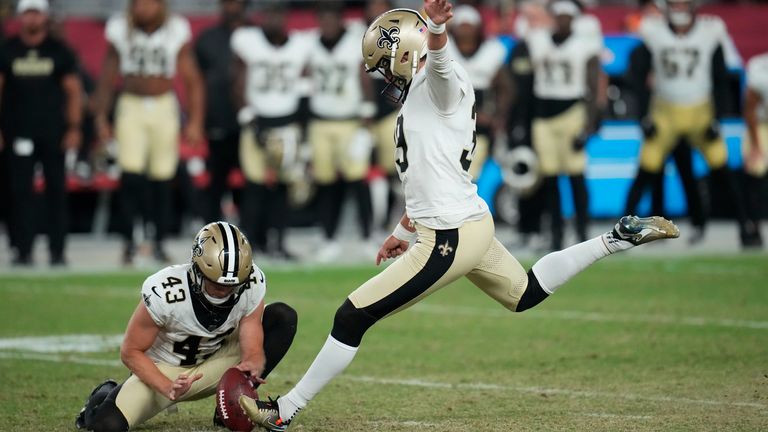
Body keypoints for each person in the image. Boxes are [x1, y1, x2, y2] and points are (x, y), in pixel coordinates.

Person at [240, 2, 679, 430]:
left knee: (351, 317)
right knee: (524, 293)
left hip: (448, 235)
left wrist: (434, 27)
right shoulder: (419, 93)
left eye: (386, 65)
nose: (384, 76)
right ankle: (616, 238)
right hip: (466, 220)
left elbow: (443, 68)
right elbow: (426, 172)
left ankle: (286, 411)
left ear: (409, 54)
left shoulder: (438, 81)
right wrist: (401, 228)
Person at [74, 221, 298, 432]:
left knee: (281, 316)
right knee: (106, 425)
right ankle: (104, 393)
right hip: (167, 369)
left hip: (218, 356)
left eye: (232, 286)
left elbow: (250, 322)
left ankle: (232, 404)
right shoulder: (166, 291)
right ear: (197, 270)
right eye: (216, 284)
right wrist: (166, 386)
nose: (224, 292)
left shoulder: (251, 280)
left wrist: (251, 356)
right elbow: (130, 352)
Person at [623, 0, 762, 248]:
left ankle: (747, 227)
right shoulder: (653, 31)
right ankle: (619, 234)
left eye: (683, 4)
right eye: (674, 4)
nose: (679, 10)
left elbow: (720, 77)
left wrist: (717, 118)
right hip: (665, 111)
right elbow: (638, 75)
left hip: (700, 111)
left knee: (723, 172)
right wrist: (643, 115)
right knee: (645, 172)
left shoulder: (711, 31)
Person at [94, 0, 205, 265]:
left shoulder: (175, 29)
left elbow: (191, 78)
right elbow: (108, 75)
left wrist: (196, 120)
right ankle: (129, 241)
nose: (142, 7)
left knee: (162, 178)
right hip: (131, 104)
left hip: (163, 104)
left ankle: (158, 241)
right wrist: (101, 117)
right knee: (131, 176)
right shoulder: (120, 28)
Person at [0, 0, 83, 266]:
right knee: (19, 192)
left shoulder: (58, 50)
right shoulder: (8, 49)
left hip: (53, 133)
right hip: (18, 131)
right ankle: (22, 249)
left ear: (45, 16)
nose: (32, 19)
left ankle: (57, 250)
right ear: (20, 16)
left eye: (36, 13)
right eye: (27, 13)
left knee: (56, 192)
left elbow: (73, 91)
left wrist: (74, 127)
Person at [231, 2, 312, 259]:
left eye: (278, 13)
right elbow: (236, 82)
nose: (273, 19)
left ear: (286, 17)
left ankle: (278, 242)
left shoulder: (300, 45)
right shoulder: (248, 41)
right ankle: (250, 244)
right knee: (254, 187)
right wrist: (248, 119)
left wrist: (301, 126)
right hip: (257, 122)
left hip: (286, 124)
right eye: (269, 13)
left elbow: (305, 86)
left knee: (283, 187)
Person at [527, 0, 604, 250]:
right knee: (550, 178)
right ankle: (556, 234)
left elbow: (595, 87)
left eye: (566, 17)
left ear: (574, 20)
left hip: (572, 110)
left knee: (575, 175)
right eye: (558, 16)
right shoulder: (538, 40)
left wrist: (590, 125)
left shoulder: (585, 46)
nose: (562, 21)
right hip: (543, 114)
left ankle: (582, 230)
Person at [307, 1, 375, 262]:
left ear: (341, 19)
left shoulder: (355, 41)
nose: (327, 23)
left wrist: (367, 115)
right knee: (325, 183)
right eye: (322, 17)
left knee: (358, 181)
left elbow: (365, 76)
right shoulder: (310, 44)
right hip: (320, 121)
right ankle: (328, 237)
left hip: (350, 121)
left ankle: (368, 235)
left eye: (331, 17)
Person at [195, 0, 249, 223]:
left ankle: (254, 234)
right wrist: (198, 119)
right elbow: (196, 83)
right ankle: (210, 235)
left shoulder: (256, 36)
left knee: (253, 183)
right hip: (218, 119)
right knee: (216, 181)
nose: (231, 7)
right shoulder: (207, 39)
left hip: (251, 120)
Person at [447, 4, 511, 180]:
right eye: (462, 25)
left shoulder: (492, 51)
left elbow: (506, 89)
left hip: (479, 126)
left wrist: (498, 116)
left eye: (469, 26)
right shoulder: (443, 50)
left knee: (468, 176)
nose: (465, 31)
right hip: (447, 123)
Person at [742, 51, 768, 236]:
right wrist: (756, 145)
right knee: (756, 169)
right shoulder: (760, 68)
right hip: (761, 125)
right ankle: (755, 226)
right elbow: (750, 108)